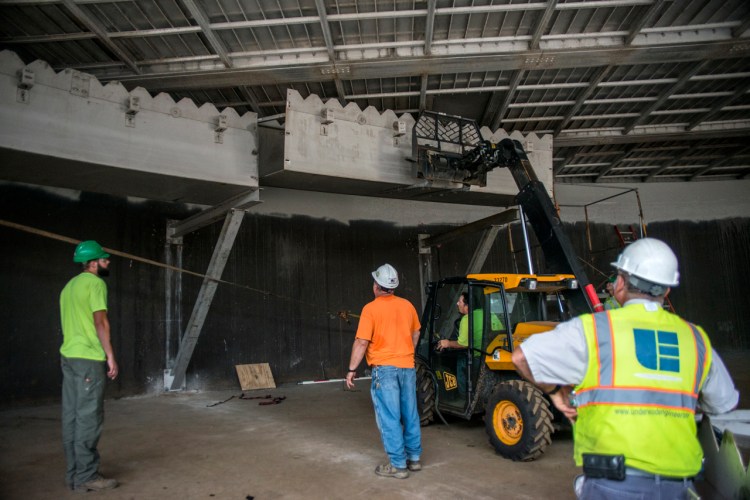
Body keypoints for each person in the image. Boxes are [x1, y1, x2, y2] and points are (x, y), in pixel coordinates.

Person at [511, 238, 738, 499]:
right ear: (667, 291)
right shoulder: (695, 339)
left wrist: (554, 391)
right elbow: (723, 406)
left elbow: (521, 357)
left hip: (613, 482)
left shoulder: (594, 330)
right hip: (679, 485)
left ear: (620, 283)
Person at [345, 263, 422, 479]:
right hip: (407, 367)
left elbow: (361, 342)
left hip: (385, 370)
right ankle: (414, 459)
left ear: (377, 286)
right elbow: (416, 333)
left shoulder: (370, 309)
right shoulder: (408, 306)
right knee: (410, 413)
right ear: (393, 286)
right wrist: (407, 353)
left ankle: (398, 465)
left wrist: (351, 369)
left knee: (389, 416)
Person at [60, 240, 119, 492]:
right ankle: (87, 476)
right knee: (88, 419)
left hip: (69, 357)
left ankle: (75, 473)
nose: (107, 262)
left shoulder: (69, 286)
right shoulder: (95, 283)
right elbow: (100, 322)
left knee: (72, 416)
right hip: (88, 359)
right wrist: (110, 355)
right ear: (93, 263)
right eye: (104, 259)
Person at [437, 292, 483, 397]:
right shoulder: (488, 314)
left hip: (474, 358)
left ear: (467, 306)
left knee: (461, 358)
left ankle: (463, 395)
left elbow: (463, 344)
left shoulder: (466, 319)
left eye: (460, 301)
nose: (457, 303)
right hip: (485, 357)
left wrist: (447, 343)